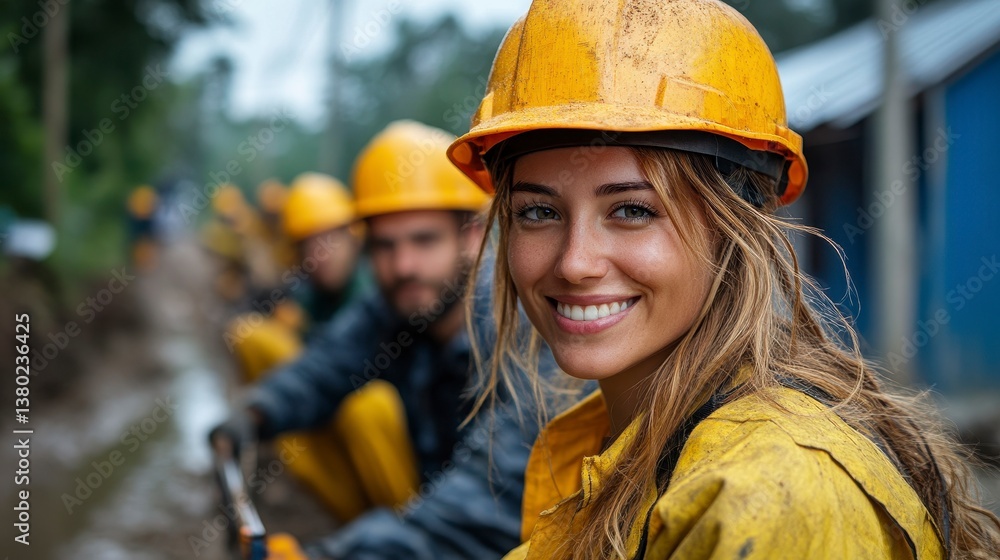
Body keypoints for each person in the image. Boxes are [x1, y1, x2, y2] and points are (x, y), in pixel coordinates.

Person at [446, 1, 1000, 559]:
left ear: (735, 228)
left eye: (633, 210)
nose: (574, 263)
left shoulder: (774, 495)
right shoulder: (606, 440)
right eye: (539, 213)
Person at [213, 121, 542, 558]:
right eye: (385, 246)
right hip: (423, 518)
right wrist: (255, 415)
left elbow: (482, 511)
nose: (403, 265)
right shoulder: (393, 310)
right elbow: (324, 366)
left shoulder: (524, 327)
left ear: (472, 236)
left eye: (423, 241)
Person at [225, 172, 369, 385]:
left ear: (352, 236)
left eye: (330, 240)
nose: (322, 255)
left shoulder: (373, 292)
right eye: (310, 245)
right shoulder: (306, 291)